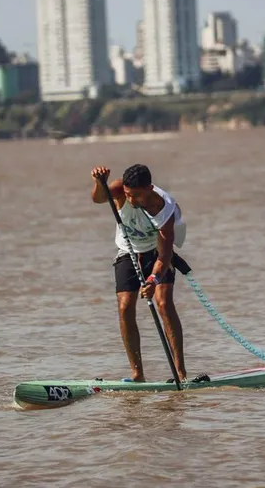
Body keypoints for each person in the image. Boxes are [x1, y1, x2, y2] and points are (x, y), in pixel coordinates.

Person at [91, 164, 191, 383]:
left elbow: (164, 257)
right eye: (128, 195)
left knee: (163, 303)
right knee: (125, 306)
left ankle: (180, 373)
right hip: (128, 250)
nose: (132, 201)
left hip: (156, 253)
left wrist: (153, 279)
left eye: (136, 196)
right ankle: (137, 374)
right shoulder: (119, 189)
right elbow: (98, 199)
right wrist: (100, 183)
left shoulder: (165, 211)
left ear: (149, 188)